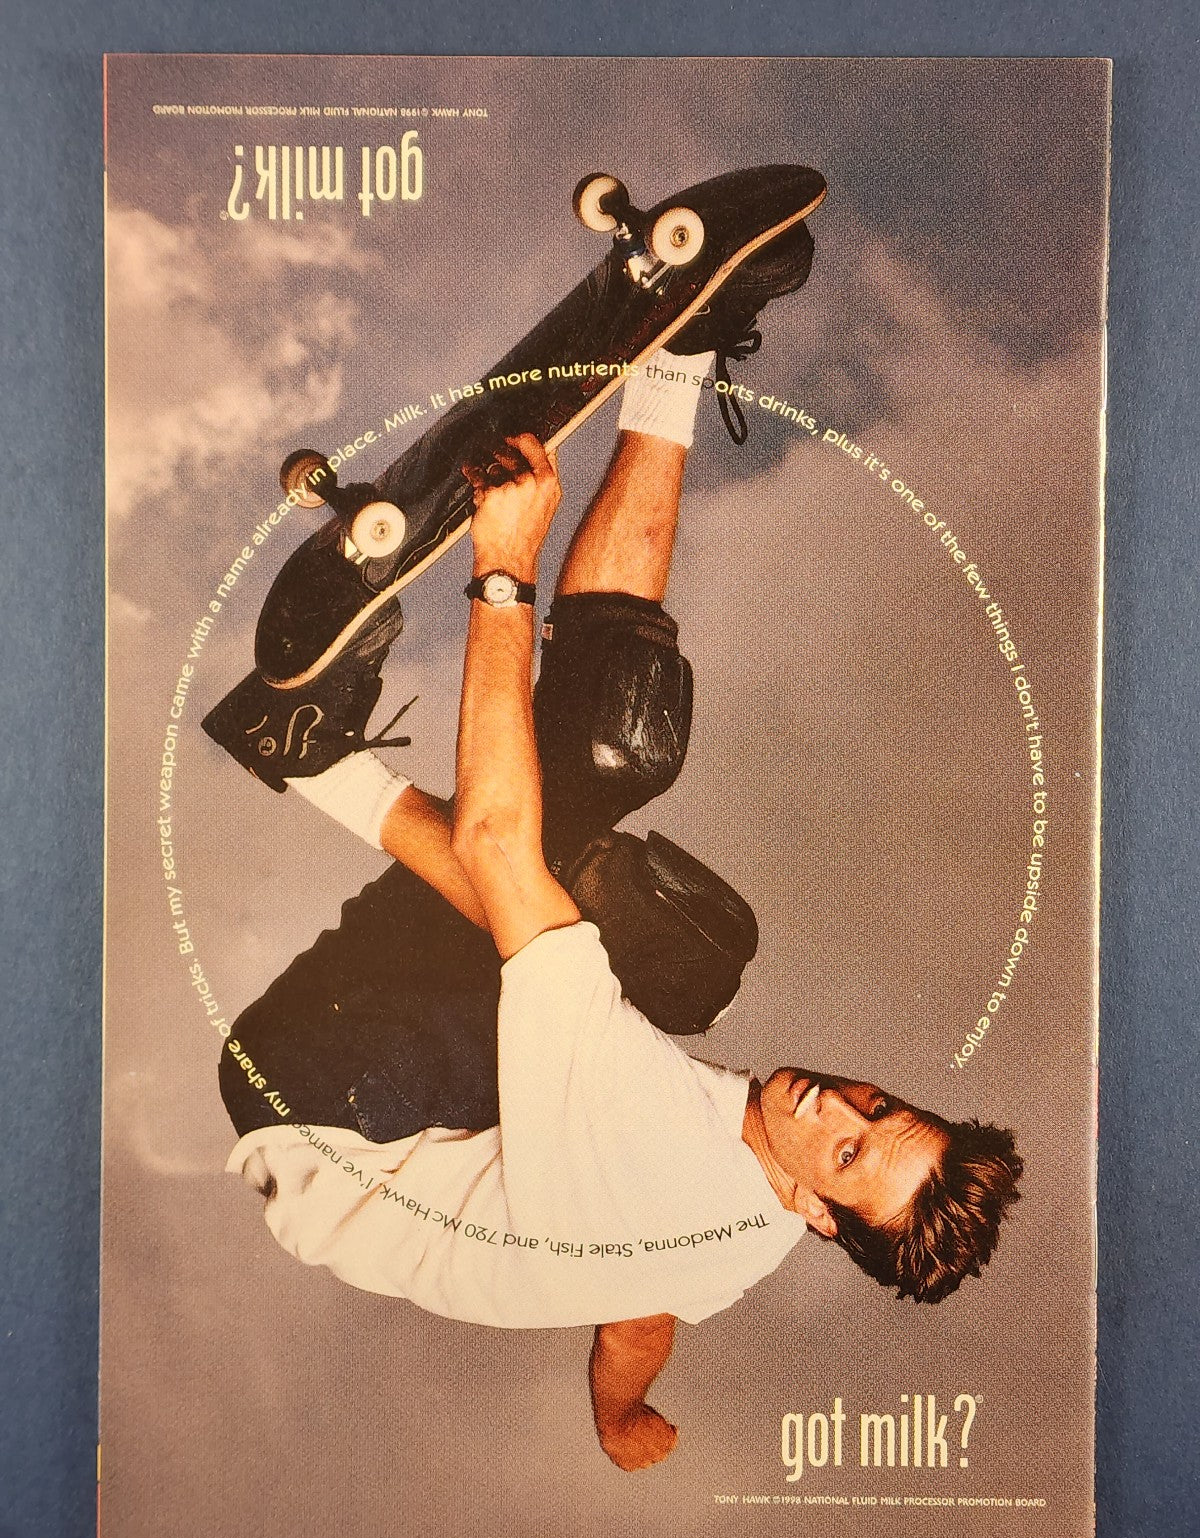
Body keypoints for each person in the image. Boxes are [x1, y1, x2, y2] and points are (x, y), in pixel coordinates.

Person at [214, 295, 1023, 1472]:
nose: (835, 1107)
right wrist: (619, 1415)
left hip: (324, 1094)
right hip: (368, 1104)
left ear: (815, 1212)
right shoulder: (733, 1246)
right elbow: (639, 1324)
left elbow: (498, 846)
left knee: (596, 807)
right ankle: (678, 351)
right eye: (879, 1105)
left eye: (848, 1154)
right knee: (657, 944)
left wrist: (504, 567)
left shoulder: (655, 1141)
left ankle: (310, 749)